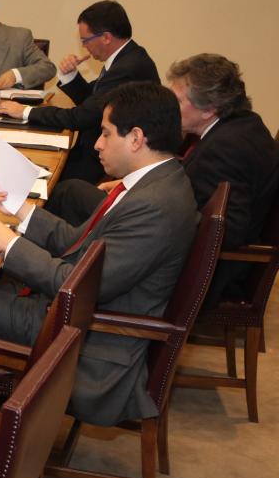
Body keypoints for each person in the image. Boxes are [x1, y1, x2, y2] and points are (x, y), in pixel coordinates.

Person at [0, 82, 198, 426]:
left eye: (105, 133)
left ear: (136, 138)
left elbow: (82, 287)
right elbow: (78, 242)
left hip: (86, 337)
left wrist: (10, 244)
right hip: (73, 313)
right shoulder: (153, 182)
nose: (96, 144)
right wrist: (20, 209)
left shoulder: (154, 205)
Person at [51, 54, 279, 300]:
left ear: (208, 109)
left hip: (199, 274)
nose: (170, 107)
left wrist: (149, 211)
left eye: (178, 101)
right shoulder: (242, 124)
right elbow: (200, 176)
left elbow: (225, 233)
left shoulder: (227, 148)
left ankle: (61, 279)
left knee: (69, 193)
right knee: (72, 191)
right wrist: (144, 181)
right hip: (170, 228)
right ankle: (65, 267)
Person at [0, 0, 158, 184]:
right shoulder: (127, 57)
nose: (84, 47)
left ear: (106, 37)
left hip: (101, 160)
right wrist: (70, 75)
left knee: (35, 176)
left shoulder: (127, 67)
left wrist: (25, 111)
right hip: (94, 150)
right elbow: (93, 100)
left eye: (85, 40)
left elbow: (81, 117)